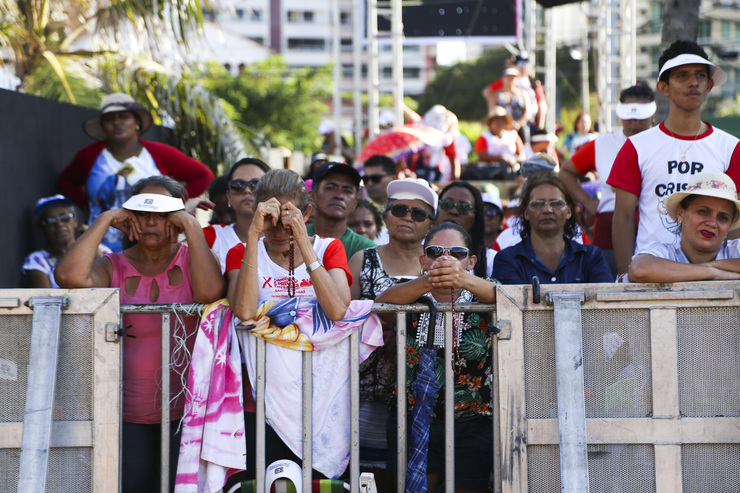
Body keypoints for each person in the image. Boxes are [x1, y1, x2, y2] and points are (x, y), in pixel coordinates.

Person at [54, 175, 225, 492]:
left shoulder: (195, 260)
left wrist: (191, 225)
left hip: (187, 413)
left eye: (161, 214)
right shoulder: (113, 265)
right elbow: (68, 276)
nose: (150, 222)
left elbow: (211, 292)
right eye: (142, 213)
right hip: (124, 414)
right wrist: (106, 218)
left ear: (176, 217)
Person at [223, 169, 355, 478]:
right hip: (261, 398)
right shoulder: (241, 252)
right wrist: (253, 235)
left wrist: (303, 242)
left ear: (306, 213)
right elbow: (245, 311)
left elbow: (337, 309)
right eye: (270, 220)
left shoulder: (329, 248)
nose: (279, 231)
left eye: (287, 219)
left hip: (322, 397)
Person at [375, 222, 496, 493]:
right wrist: (430, 280)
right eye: (435, 252)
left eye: (457, 253)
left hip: (472, 421)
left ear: (471, 261)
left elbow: (507, 300)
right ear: (423, 260)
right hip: (411, 416)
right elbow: (381, 306)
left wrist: (462, 279)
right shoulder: (409, 289)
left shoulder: (483, 290)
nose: (445, 259)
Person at [607, 40, 740, 277]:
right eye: (682, 75)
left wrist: (724, 269)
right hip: (650, 275)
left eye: (700, 75)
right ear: (663, 87)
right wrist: (625, 277)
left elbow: (733, 222)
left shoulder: (731, 147)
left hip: (718, 281)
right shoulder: (636, 146)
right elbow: (623, 217)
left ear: (709, 85)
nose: (693, 82)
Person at [347, 177, 437, 491]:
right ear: (386, 216)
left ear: (431, 224)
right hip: (366, 391)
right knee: (366, 476)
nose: (407, 218)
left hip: (422, 396)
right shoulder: (362, 259)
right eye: (399, 210)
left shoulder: (439, 264)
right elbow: (343, 317)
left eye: (418, 213)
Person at [59, 93, 214, 251]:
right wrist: (87, 206)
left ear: (137, 122)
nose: (117, 122)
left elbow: (203, 175)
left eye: (124, 117)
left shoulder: (159, 153)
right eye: (109, 119)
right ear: (103, 125)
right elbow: (66, 181)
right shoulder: (89, 156)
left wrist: (176, 205)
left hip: (154, 243)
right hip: (102, 245)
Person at [560, 83, 656, 278]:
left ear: (652, 113)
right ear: (620, 113)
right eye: (629, 114)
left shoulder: (664, 142)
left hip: (656, 224)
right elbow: (566, 172)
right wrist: (587, 202)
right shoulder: (602, 143)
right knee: (609, 284)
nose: (634, 121)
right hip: (609, 226)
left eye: (640, 115)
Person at [493, 173, 612, 284]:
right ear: (526, 213)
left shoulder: (591, 257)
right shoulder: (507, 260)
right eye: (538, 203)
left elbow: (606, 298)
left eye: (556, 203)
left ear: (569, 211)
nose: (547, 210)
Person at [628, 172, 740, 282]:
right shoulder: (664, 253)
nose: (712, 223)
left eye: (723, 218)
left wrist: (712, 265)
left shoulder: (735, 249)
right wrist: (711, 272)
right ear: (681, 213)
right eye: (703, 212)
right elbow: (639, 269)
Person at [203, 157, 271, 273]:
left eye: (256, 184)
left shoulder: (288, 236)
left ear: (272, 192)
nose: (247, 190)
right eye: (237, 185)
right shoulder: (212, 236)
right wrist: (184, 211)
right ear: (228, 196)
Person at [307, 162, 376, 260]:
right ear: (312, 196)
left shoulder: (366, 249)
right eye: (330, 188)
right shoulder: (293, 238)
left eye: (347, 191)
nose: (339, 195)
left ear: (355, 203)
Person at [436, 181, 494, 278]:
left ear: (476, 217)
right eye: (447, 204)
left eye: (463, 207)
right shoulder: (419, 251)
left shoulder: (491, 259)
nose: (453, 211)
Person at [23, 195, 79, 288]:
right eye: (51, 221)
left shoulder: (98, 248)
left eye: (65, 217)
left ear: (75, 221)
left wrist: (90, 241)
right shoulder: (37, 260)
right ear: (42, 229)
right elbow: (44, 296)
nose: (59, 224)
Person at [466, 106, 525, 181]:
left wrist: (512, 159)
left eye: (501, 120)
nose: (499, 123)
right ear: (491, 123)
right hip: (490, 170)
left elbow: (522, 156)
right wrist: (500, 158)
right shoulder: (484, 137)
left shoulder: (513, 135)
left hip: (513, 168)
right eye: (496, 120)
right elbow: (481, 154)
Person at [482, 67, 532, 142]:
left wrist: (519, 123)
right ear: (503, 78)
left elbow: (528, 112)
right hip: (501, 127)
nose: (511, 79)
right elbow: (492, 112)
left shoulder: (523, 94)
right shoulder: (496, 95)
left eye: (513, 77)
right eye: (508, 77)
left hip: (519, 127)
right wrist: (505, 124)